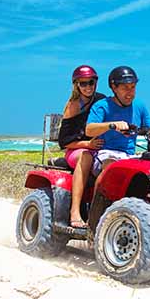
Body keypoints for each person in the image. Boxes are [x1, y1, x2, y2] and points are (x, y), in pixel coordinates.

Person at [58, 65, 106, 228]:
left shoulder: (101, 100)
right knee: (85, 156)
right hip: (76, 150)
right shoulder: (73, 106)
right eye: (83, 83)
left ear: (96, 83)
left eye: (90, 83)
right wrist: (88, 144)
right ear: (76, 85)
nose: (87, 87)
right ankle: (75, 212)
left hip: (99, 148)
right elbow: (63, 141)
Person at [86, 65, 150, 172]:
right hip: (106, 154)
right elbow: (89, 130)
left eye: (133, 87)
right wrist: (112, 125)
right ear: (114, 87)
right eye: (125, 88)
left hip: (130, 156)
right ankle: (98, 189)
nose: (130, 93)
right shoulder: (101, 106)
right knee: (111, 166)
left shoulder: (139, 105)